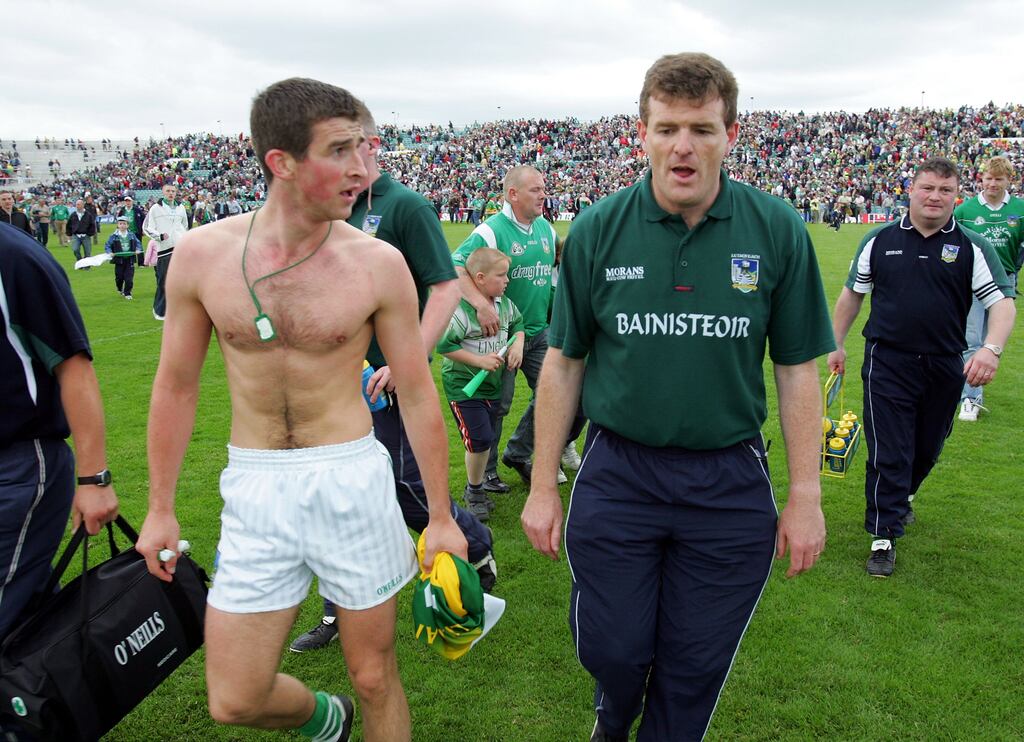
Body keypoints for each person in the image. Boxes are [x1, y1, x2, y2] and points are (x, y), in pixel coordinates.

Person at [135, 78, 466, 742]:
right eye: (341, 150)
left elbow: (420, 390)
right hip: (255, 484)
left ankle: (356, 709)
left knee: (374, 676)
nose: (362, 168)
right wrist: (161, 504)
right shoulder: (202, 256)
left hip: (350, 475)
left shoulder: (378, 264)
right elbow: (175, 385)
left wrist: (440, 517)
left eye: (365, 148)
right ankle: (324, 717)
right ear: (280, 163)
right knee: (235, 696)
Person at [520, 53, 833, 742]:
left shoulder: (776, 227)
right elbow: (563, 363)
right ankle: (613, 709)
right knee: (615, 648)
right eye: (666, 129)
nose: (682, 146)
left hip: (726, 478)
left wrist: (805, 494)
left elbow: (796, 370)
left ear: (732, 134)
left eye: (700, 128)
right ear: (641, 133)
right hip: (619, 470)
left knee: (694, 666)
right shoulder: (600, 228)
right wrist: (543, 484)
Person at [288, 106, 496, 655]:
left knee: (404, 490)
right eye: (331, 149)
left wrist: (407, 362)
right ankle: (337, 609)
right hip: (338, 384)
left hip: (393, 381)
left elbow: (445, 289)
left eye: (351, 147)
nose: (346, 162)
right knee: (336, 499)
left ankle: (473, 540)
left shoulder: (408, 207)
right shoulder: (328, 210)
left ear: (373, 145)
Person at [827, 156, 1016, 578]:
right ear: (910, 191)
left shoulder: (972, 246)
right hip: (887, 360)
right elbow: (852, 295)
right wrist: (835, 343)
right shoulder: (879, 240)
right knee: (889, 449)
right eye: (927, 188)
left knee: (927, 446)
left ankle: (901, 497)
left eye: (944, 190)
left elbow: (1002, 302)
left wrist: (991, 349)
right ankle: (883, 535)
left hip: (945, 364)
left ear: (956, 197)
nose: (934, 197)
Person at [0, 222, 120, 738]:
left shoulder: (14, 257)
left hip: (17, 467)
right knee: (21, 617)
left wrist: (95, 478)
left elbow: (74, 365)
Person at [453, 166, 585, 491]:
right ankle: (486, 474)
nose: (544, 194)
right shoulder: (491, 231)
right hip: (501, 336)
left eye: (544, 188)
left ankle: (519, 452)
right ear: (513, 194)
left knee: (561, 393)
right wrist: (482, 305)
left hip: (540, 332)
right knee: (497, 407)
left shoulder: (545, 229)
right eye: (536, 190)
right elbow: (455, 265)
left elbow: (559, 261)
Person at [438, 247, 525, 519]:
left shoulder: (505, 304)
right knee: (480, 439)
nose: (507, 280)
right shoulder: (461, 312)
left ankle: (475, 486)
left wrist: (518, 345)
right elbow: (443, 345)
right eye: (501, 276)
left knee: (484, 439)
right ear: (479, 278)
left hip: (492, 387)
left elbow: (518, 324)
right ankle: (474, 490)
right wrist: (479, 361)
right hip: (463, 386)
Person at [953, 156, 1024, 421]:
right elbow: (954, 246)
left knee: (991, 342)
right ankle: (970, 399)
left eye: (999, 179)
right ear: (981, 179)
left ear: (1009, 180)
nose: (993, 183)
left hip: (1004, 282)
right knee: (971, 340)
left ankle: (971, 388)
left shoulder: (1020, 209)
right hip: (972, 283)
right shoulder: (966, 210)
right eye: (988, 178)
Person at [142, 183, 188, 321]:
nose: (171, 193)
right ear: (163, 192)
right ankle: (160, 311)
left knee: (181, 281)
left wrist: (182, 237)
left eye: (173, 191)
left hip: (179, 248)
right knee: (163, 281)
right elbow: (147, 228)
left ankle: (179, 310)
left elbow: (185, 225)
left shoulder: (181, 207)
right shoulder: (156, 208)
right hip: (164, 250)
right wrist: (160, 236)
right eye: (168, 191)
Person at [104, 215, 142, 299]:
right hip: (119, 260)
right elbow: (107, 245)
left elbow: (138, 243)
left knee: (129, 278)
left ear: (127, 225)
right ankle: (119, 288)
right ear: (118, 225)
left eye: (124, 224)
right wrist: (109, 252)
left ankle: (128, 293)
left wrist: (138, 249)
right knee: (119, 277)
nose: (122, 225)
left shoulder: (132, 235)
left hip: (130, 259)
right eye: (120, 223)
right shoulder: (114, 236)